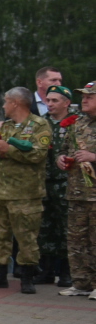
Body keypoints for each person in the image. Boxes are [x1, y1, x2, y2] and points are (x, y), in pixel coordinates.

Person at [0, 86, 51, 292]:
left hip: (25, 194)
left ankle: (27, 278)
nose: (3, 106)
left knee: (26, 237)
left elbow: (38, 155)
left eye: (6, 102)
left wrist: (8, 149)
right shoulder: (5, 127)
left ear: (15, 103)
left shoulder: (39, 125)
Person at [58, 82, 96, 298]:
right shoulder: (77, 123)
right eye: (83, 96)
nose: (85, 100)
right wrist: (61, 159)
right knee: (76, 240)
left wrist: (93, 157)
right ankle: (81, 283)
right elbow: (64, 149)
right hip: (77, 192)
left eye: (90, 96)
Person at [39, 84, 76, 286]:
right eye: (48, 100)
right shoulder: (40, 123)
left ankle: (66, 272)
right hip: (43, 182)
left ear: (66, 103)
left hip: (66, 183)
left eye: (55, 100)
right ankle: (46, 270)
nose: (50, 104)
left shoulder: (76, 123)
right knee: (45, 227)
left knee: (66, 228)